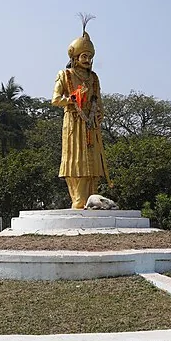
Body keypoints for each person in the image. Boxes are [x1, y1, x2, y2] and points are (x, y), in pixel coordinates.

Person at [51, 14, 110, 209]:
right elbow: (55, 99)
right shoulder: (65, 74)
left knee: (93, 161)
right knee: (75, 161)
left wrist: (99, 113)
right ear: (74, 57)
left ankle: (91, 197)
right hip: (73, 123)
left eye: (90, 57)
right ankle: (78, 199)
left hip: (91, 123)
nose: (87, 60)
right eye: (84, 56)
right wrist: (73, 99)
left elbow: (99, 101)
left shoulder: (94, 78)